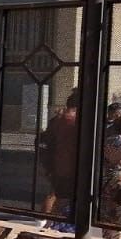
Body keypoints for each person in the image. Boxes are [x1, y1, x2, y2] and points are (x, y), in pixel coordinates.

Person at [38, 94, 79, 224]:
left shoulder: (57, 120)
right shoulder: (74, 122)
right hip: (70, 167)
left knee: (56, 194)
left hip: (55, 165)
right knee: (64, 200)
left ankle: (47, 222)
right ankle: (54, 225)